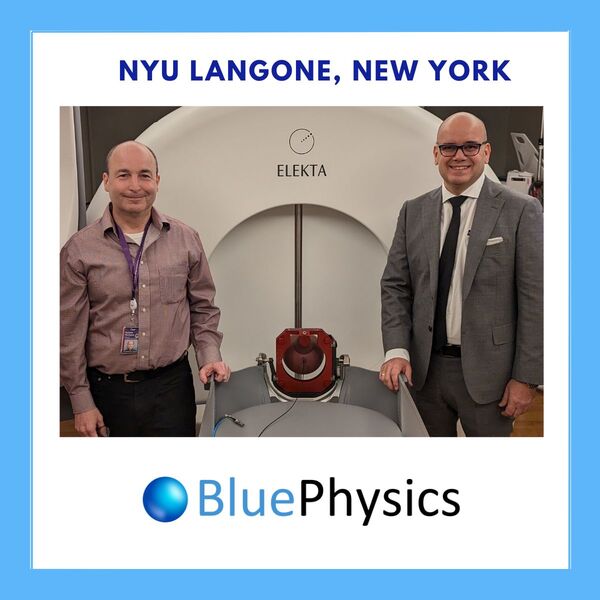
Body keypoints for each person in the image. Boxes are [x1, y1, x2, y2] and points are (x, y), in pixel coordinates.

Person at [380, 112, 543, 436]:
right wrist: (396, 349)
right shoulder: (413, 211)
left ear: (486, 152)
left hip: (492, 377)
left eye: (470, 146)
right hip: (425, 374)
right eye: (449, 147)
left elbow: (536, 300)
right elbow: (395, 286)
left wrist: (526, 378)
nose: (459, 156)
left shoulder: (521, 210)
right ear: (436, 154)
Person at [61, 140, 230, 437]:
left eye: (144, 175)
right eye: (123, 175)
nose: (135, 186)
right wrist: (80, 401)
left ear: (157, 181)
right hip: (108, 392)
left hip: (172, 390)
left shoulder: (185, 240)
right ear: (106, 181)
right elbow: (69, 332)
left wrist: (209, 355)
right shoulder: (80, 249)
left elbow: (202, 308)